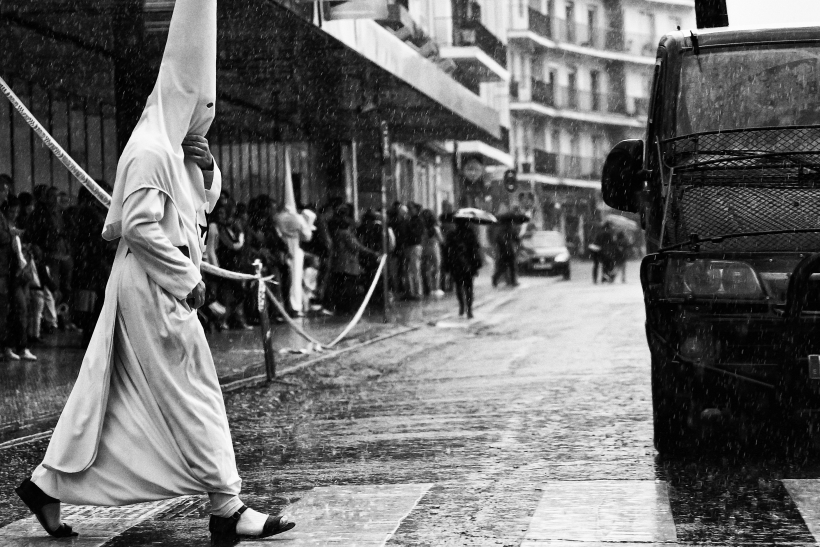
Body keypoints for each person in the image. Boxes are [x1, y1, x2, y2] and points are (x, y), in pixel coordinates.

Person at [14, 0, 295, 543]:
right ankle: (226, 505)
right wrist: (187, 281)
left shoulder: (175, 149)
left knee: (122, 396)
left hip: (159, 285)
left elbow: (200, 202)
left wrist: (206, 160)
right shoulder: (149, 150)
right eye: (199, 107)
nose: (203, 118)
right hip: (154, 287)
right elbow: (142, 228)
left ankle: (48, 485)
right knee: (194, 391)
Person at [2, 195, 37, 360]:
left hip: (18, 272)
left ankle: (17, 346)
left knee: (23, 308)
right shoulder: (8, 226)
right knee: (20, 309)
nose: (14, 214)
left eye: (16, 211)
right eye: (12, 211)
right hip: (14, 272)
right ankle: (17, 346)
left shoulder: (12, 224)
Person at [444, 218, 482, 319]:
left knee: (459, 286)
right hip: (468, 264)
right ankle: (469, 309)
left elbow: (447, 251)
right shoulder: (470, 234)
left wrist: (447, 265)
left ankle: (462, 306)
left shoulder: (451, 235)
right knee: (469, 287)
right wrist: (476, 264)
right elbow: (475, 250)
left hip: (456, 264)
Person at [421, 209, 444, 297]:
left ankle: (430, 289)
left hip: (426, 249)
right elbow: (441, 240)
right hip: (434, 248)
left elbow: (423, 239)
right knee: (437, 269)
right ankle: (436, 288)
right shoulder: (435, 228)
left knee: (428, 269)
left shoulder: (424, 228)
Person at [403, 203, 425, 300]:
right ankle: (411, 292)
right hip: (409, 246)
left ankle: (418, 292)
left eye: (411, 209)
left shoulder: (418, 220)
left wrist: (408, 225)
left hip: (415, 246)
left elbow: (416, 233)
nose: (410, 211)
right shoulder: (411, 220)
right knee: (409, 271)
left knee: (415, 269)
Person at [492, 221, 521, 287]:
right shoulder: (503, 232)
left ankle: (512, 281)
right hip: (505, 253)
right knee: (504, 268)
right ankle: (496, 279)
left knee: (510, 267)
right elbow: (517, 240)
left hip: (507, 252)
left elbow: (517, 240)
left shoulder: (505, 231)